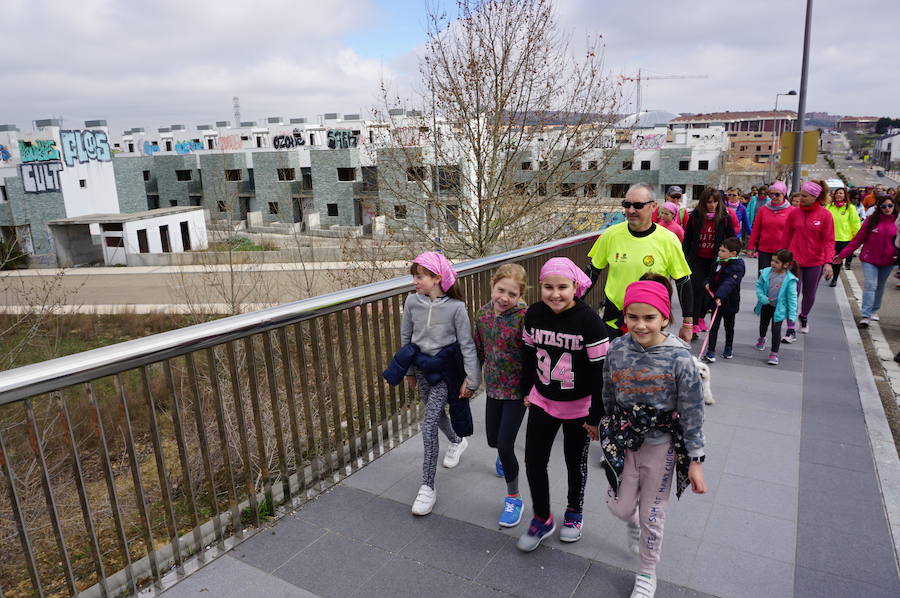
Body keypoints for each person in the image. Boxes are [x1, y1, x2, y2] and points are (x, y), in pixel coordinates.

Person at [600, 274, 706, 598]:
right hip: (624, 441)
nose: (641, 325)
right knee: (620, 508)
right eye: (633, 317)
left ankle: (647, 572)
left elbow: (693, 410)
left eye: (649, 318)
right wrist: (603, 424)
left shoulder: (680, 358)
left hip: (661, 447)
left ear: (665, 317)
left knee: (653, 513)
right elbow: (608, 390)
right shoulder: (616, 348)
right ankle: (632, 519)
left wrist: (696, 459)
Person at [517, 257, 608, 552]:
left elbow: (600, 373)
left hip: (579, 407)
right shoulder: (533, 314)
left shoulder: (590, 322)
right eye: (548, 287)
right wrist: (526, 390)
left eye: (562, 287)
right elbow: (528, 355)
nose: (555, 294)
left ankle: (574, 512)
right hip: (543, 400)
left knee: (574, 462)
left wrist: (595, 417)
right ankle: (542, 517)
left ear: (575, 287)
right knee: (533, 460)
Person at [399, 252, 481, 516]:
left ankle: (427, 486)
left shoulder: (456, 307)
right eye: (414, 275)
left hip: (446, 371)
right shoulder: (412, 302)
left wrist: (472, 378)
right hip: (422, 369)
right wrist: (409, 370)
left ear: (437, 278)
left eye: (420, 276)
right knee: (436, 415)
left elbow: (467, 343)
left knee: (428, 424)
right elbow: (406, 338)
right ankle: (457, 441)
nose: (414, 281)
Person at [585, 183, 694, 343]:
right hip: (614, 319)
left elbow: (683, 281)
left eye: (638, 205)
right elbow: (591, 272)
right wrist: (570, 305)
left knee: (646, 368)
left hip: (649, 323)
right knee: (611, 366)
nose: (631, 210)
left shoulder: (668, 240)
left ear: (653, 206)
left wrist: (687, 323)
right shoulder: (610, 235)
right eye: (627, 205)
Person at [473, 263, 528, 527]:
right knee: (494, 440)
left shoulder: (525, 317)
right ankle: (502, 455)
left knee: (506, 445)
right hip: (493, 387)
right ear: (492, 286)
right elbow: (479, 350)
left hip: (518, 391)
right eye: (500, 290)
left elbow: (533, 355)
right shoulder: (483, 315)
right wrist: (471, 381)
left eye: (512, 294)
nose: (505, 298)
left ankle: (514, 498)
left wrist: (533, 390)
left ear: (520, 295)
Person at [834, 194, 898, 327]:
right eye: (884, 206)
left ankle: (874, 310)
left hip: (888, 260)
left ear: (894, 206)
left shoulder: (898, 222)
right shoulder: (871, 221)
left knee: (880, 286)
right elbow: (857, 240)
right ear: (879, 208)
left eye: (890, 205)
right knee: (870, 285)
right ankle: (865, 314)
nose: (887, 208)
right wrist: (842, 255)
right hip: (869, 259)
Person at [780, 180, 834, 339]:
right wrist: (782, 258)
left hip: (814, 262)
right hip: (794, 262)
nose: (800, 198)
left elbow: (829, 241)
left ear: (815, 197)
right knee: (792, 293)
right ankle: (790, 326)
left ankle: (803, 316)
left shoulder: (825, 215)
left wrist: (828, 262)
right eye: (801, 195)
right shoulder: (793, 213)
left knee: (809, 294)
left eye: (805, 196)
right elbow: (786, 236)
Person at [682, 186, 737, 338]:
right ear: (703, 202)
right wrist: (685, 258)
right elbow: (687, 239)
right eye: (708, 202)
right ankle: (692, 324)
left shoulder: (724, 218)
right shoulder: (695, 217)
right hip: (697, 259)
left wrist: (730, 256)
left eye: (715, 202)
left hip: (715, 260)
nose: (712, 205)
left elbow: (732, 238)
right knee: (696, 290)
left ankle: (700, 318)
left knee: (710, 292)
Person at [701, 237, 746, 362]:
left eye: (723, 251)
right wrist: (707, 283)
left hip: (729, 301)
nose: (719, 253)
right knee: (713, 326)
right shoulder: (718, 262)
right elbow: (710, 276)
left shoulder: (738, 266)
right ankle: (711, 351)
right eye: (720, 250)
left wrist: (720, 295)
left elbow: (730, 282)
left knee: (729, 326)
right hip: (715, 301)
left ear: (733, 254)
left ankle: (728, 347)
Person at [754, 249, 799, 366]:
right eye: (772, 261)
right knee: (763, 324)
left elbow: (792, 298)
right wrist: (762, 297)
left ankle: (774, 353)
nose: (773, 264)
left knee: (776, 330)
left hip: (779, 309)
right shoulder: (766, 272)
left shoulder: (790, 279)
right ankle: (762, 338)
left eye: (777, 262)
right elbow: (758, 286)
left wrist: (792, 315)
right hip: (766, 305)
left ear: (786, 265)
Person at [747, 181, 792, 272]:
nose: (774, 197)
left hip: (783, 251)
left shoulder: (791, 211)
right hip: (765, 249)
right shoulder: (763, 209)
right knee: (764, 278)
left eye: (777, 194)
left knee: (779, 280)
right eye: (771, 194)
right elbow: (756, 229)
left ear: (783, 194)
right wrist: (751, 246)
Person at [826, 187, 861, 286]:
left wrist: (857, 236)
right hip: (829, 238)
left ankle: (835, 278)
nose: (838, 195)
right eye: (837, 193)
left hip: (844, 238)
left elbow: (855, 223)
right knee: (829, 258)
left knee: (837, 260)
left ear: (845, 195)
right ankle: (829, 272)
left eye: (841, 193)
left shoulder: (850, 208)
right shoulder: (829, 207)